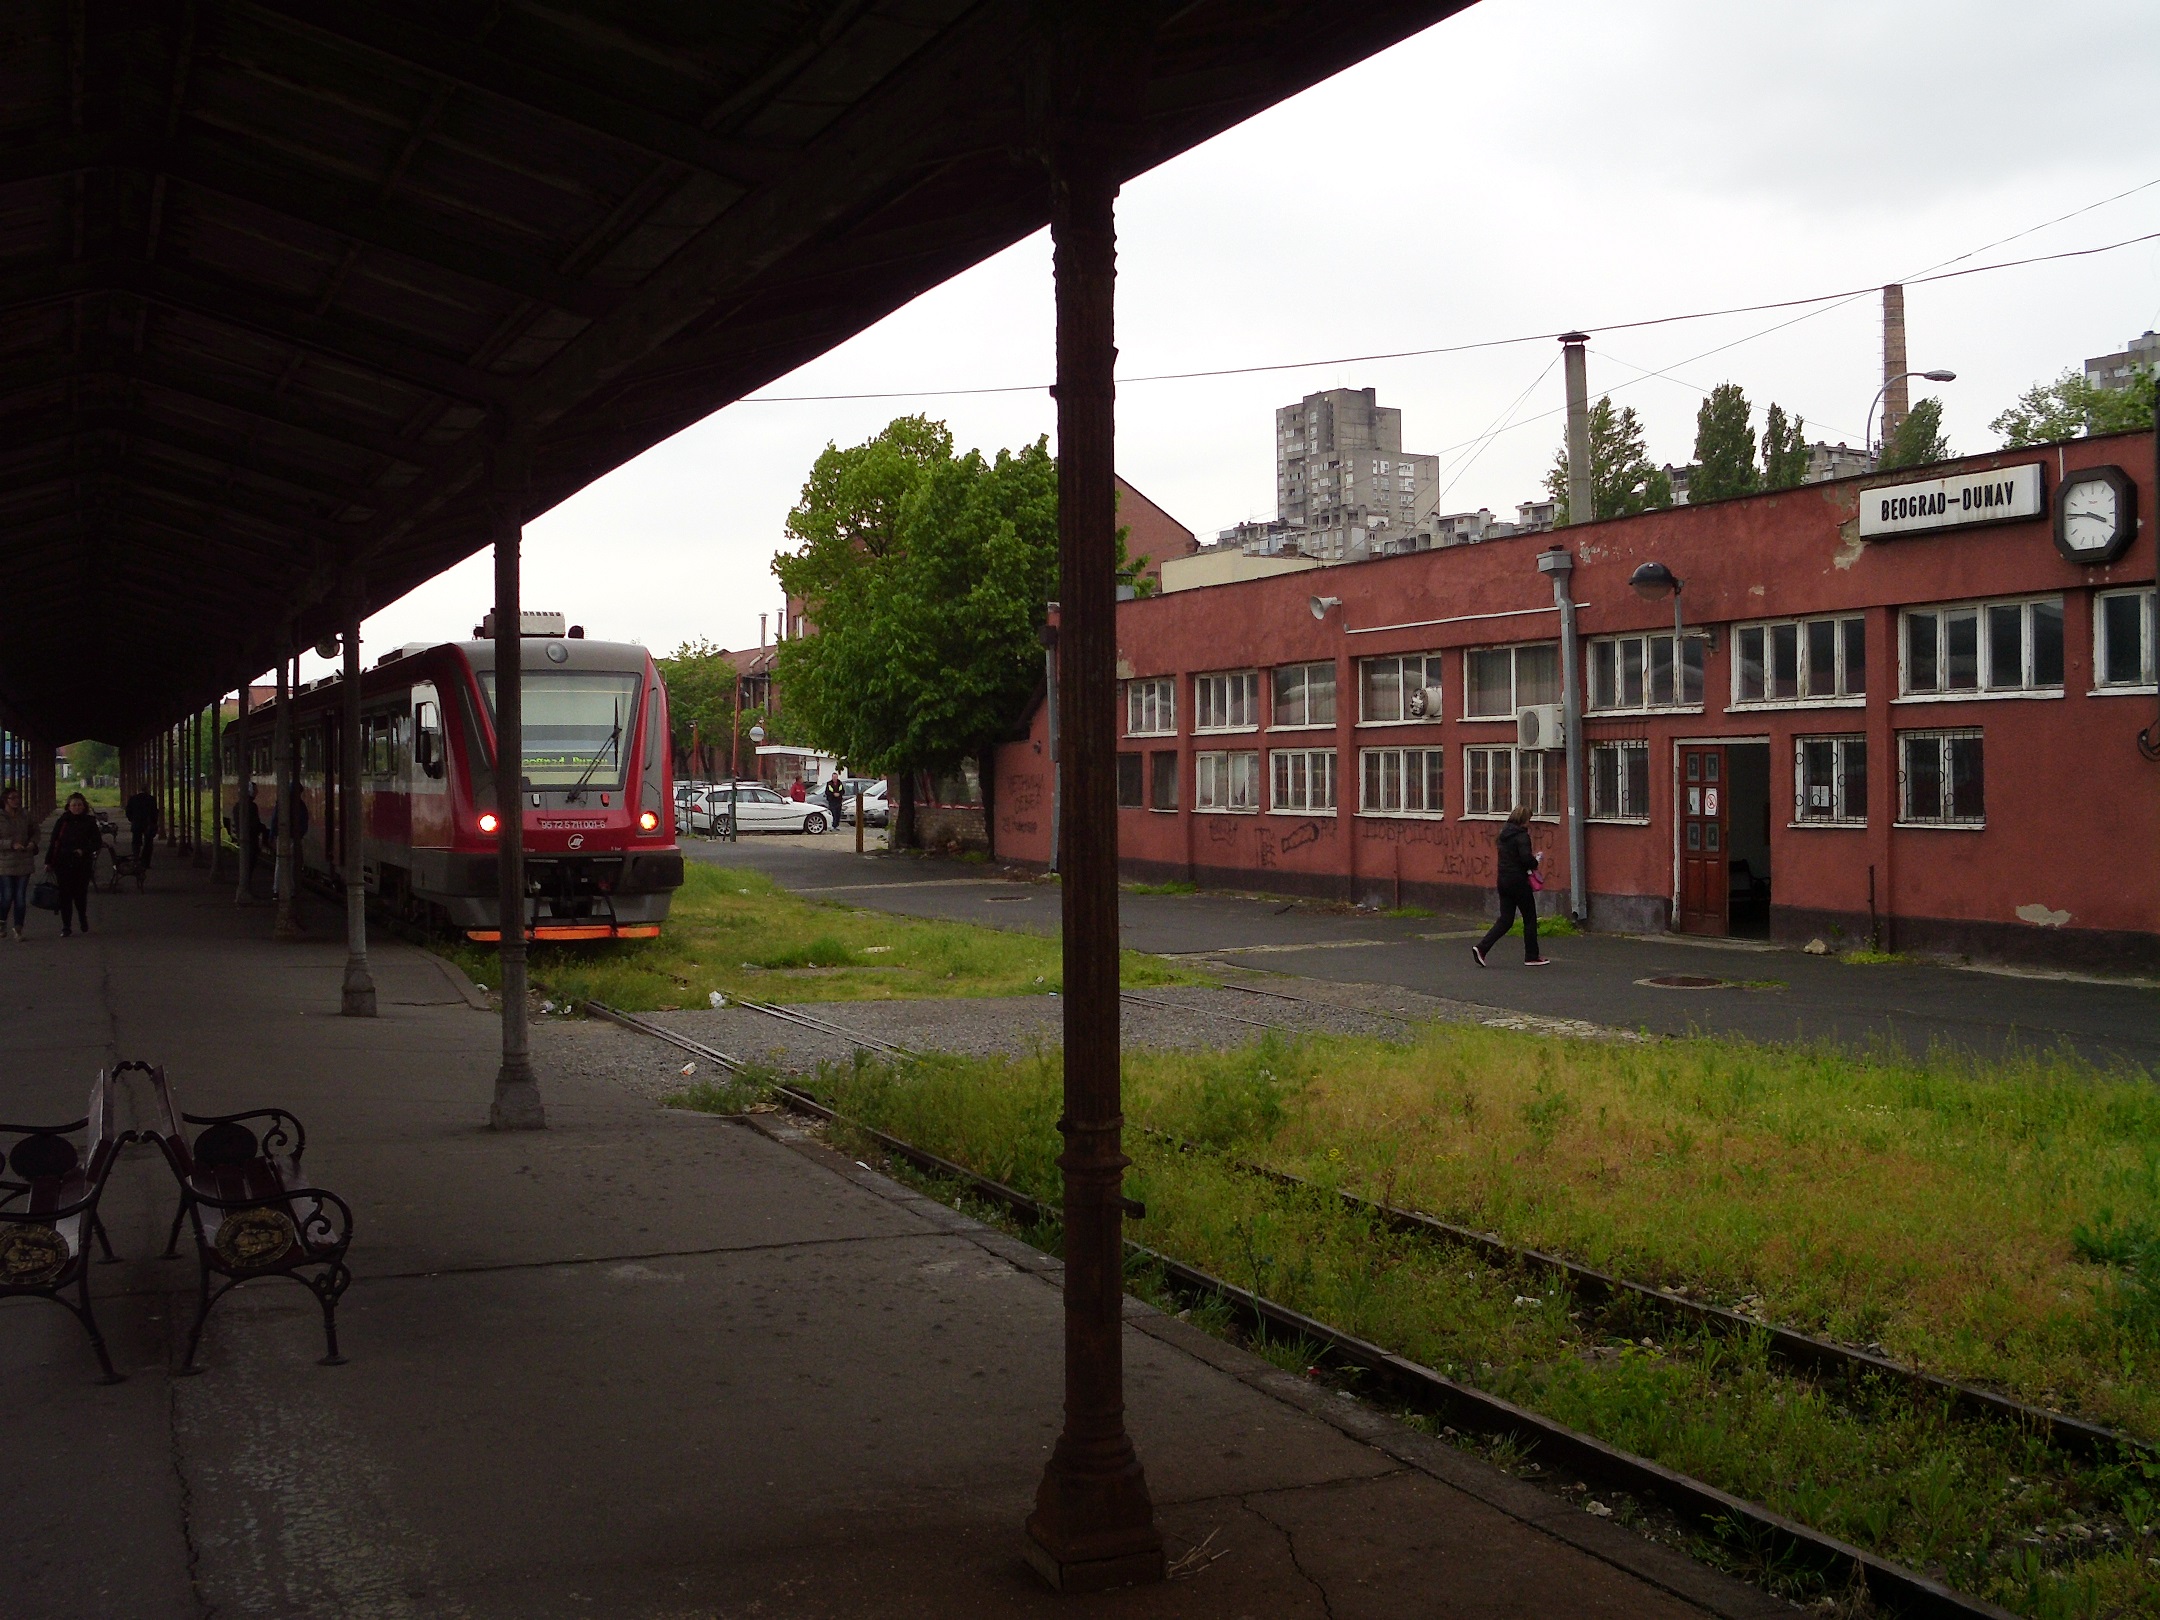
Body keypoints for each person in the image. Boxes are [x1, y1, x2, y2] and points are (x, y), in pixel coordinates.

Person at [1472, 804, 1549, 968]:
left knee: (1506, 920)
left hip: (1503, 880)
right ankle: (1531, 956)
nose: (1529, 822)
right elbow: (1525, 859)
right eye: (1529, 819)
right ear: (1523, 820)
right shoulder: (1522, 836)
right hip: (1519, 882)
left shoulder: (1503, 835)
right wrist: (1536, 860)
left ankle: (1481, 948)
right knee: (1530, 918)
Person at [45, 792, 102, 938]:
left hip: (82, 863)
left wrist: (84, 850)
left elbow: (97, 842)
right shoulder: (62, 821)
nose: (77, 807)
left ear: (84, 806)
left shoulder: (89, 822)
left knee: (80, 894)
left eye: (79, 805)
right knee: (65, 895)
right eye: (74, 805)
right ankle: (66, 926)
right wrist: (48, 861)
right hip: (63, 862)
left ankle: (82, 917)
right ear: (68, 807)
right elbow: (54, 842)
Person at [0, 786, 35, 940]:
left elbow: (35, 832)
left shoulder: (25, 815)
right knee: (7, 896)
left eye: (18, 798)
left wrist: (33, 843)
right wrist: (10, 844)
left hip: (24, 860)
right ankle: (2, 922)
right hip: (5, 862)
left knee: (20, 897)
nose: (16, 801)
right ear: (5, 800)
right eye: (12, 798)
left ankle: (18, 928)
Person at [124, 783, 159, 866]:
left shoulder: (133, 799)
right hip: (148, 824)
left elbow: (128, 811)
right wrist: (154, 822)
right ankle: (145, 862)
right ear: (147, 789)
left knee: (136, 842)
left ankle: (136, 858)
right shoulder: (151, 799)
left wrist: (132, 819)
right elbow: (154, 813)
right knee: (148, 843)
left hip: (136, 823)